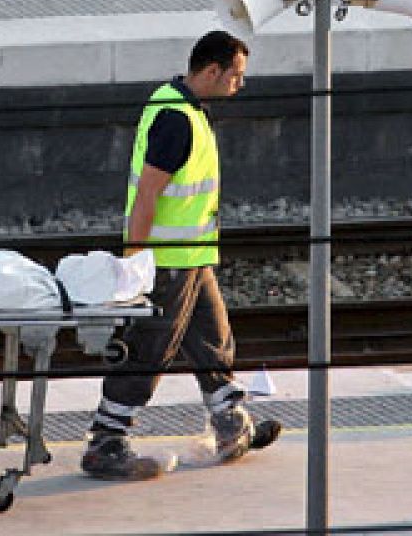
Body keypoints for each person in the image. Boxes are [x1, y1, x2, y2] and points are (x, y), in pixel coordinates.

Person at [81, 29, 282, 480]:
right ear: (212, 71)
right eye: (236, 75)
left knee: (213, 337)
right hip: (168, 261)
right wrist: (136, 263)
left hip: (191, 257)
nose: (241, 84)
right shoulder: (176, 119)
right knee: (150, 349)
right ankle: (107, 442)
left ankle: (232, 422)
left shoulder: (183, 106)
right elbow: (148, 195)